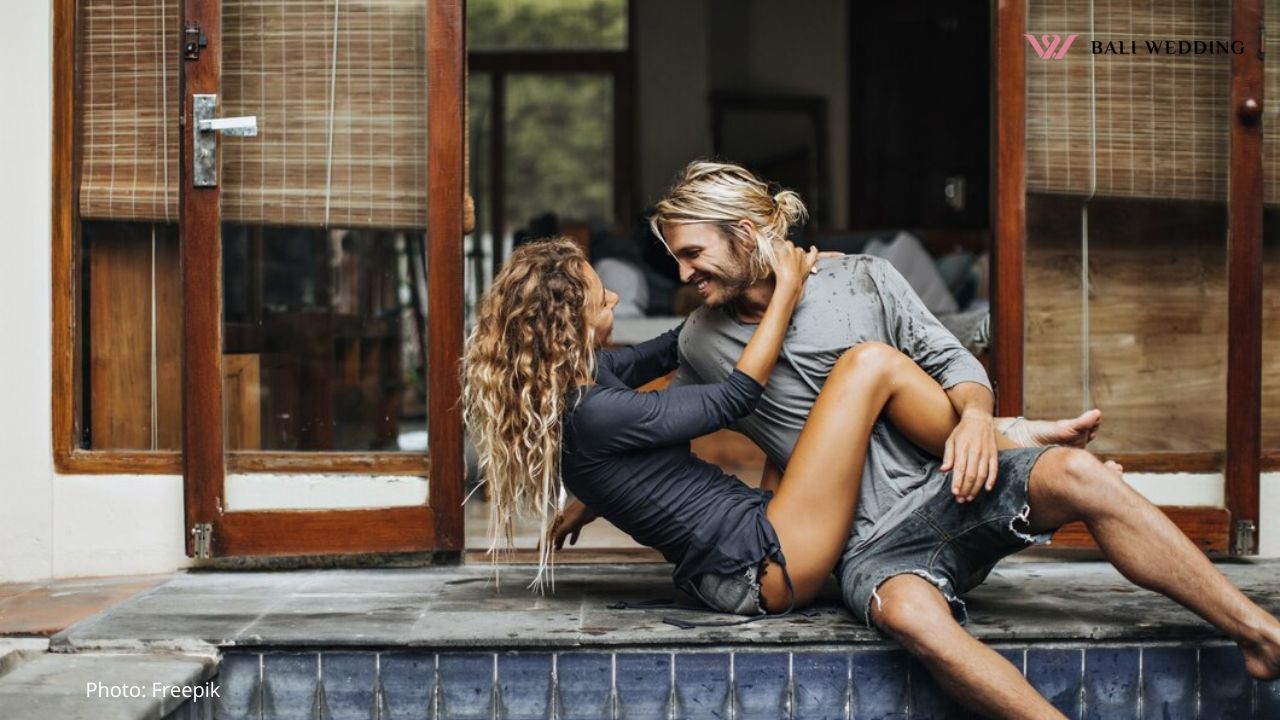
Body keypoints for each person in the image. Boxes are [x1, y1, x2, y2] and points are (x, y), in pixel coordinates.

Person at [564, 159, 1279, 719]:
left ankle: (1257, 634)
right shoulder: (702, 341)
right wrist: (586, 494)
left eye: (693, 255)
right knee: (910, 616)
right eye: (677, 262)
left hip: (956, 486)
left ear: (745, 236)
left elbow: (954, 366)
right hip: (868, 543)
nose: (685, 276)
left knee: (1083, 476)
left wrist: (975, 416)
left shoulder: (866, 280)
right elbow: (652, 426)